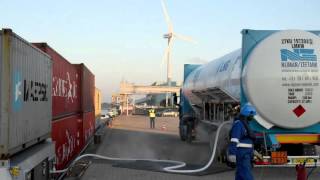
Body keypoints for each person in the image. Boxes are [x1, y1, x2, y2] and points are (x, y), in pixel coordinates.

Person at [228, 103, 257, 180]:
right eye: (251, 115)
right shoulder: (239, 124)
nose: (253, 117)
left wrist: (252, 155)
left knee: (240, 176)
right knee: (246, 176)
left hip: (246, 155)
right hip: (242, 156)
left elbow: (249, 142)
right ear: (247, 114)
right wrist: (232, 155)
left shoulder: (246, 124)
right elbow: (234, 140)